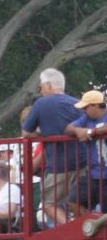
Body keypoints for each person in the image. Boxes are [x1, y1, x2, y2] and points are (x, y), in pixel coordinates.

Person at [22, 67, 88, 229]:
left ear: (49, 85)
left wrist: (43, 136)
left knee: (48, 204)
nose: (41, 90)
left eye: (41, 86)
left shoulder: (41, 103)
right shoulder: (76, 103)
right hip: (84, 160)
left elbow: (26, 132)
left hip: (59, 164)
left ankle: (73, 228)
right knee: (78, 201)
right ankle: (88, 229)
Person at [68, 89, 107, 234]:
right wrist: (78, 131)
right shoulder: (86, 119)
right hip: (94, 174)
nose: (84, 110)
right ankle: (92, 229)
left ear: (95, 106)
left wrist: (91, 132)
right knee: (74, 200)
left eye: (86, 107)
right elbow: (68, 128)